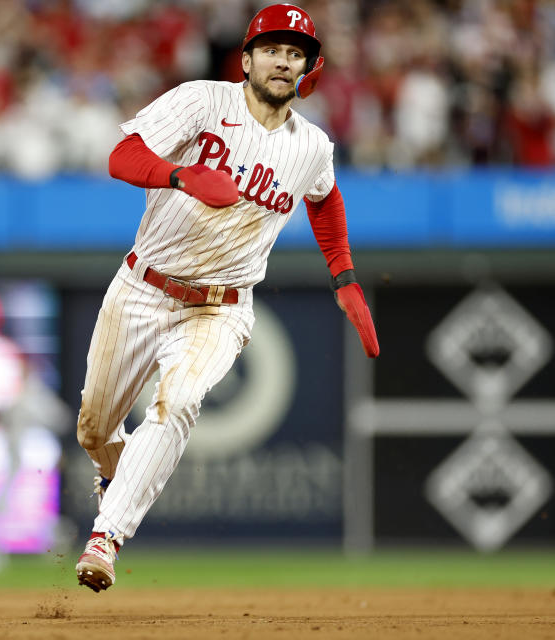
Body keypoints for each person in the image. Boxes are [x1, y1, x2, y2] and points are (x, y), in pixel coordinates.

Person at [73, 3, 380, 593]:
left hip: (220, 306)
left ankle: (105, 539)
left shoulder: (312, 147)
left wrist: (344, 276)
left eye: (295, 54)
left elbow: (325, 199)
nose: (282, 61)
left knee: (179, 399)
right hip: (143, 287)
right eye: (271, 49)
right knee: (94, 429)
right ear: (246, 59)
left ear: (307, 70)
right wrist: (182, 176)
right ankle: (115, 474)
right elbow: (122, 157)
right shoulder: (202, 101)